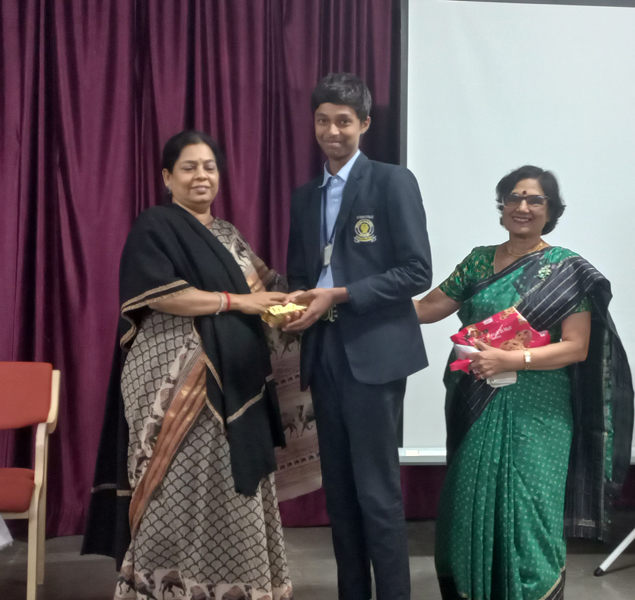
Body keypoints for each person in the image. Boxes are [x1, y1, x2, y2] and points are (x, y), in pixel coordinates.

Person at [85, 130, 295, 600]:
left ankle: (238, 588)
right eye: (189, 167)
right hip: (172, 380)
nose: (201, 175)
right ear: (167, 177)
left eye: (209, 167)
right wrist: (237, 302)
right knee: (176, 486)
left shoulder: (228, 236)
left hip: (234, 380)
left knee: (231, 485)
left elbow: (269, 289)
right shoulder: (155, 227)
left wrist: (305, 302)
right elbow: (165, 296)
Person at [415, 166, 634, 600]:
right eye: (514, 197)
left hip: (541, 410)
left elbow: (576, 347)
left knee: (531, 512)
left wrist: (511, 359)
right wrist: (352, 302)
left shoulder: (566, 269)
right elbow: (426, 308)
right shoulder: (478, 261)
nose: (523, 206)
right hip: (477, 402)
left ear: (550, 211)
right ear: (502, 208)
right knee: (471, 504)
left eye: (536, 199)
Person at [282, 72, 432, 600]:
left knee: (376, 492)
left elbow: (417, 272)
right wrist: (295, 304)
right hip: (322, 352)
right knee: (340, 494)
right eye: (322, 120)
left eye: (343, 121)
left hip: (374, 354)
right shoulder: (305, 197)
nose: (332, 131)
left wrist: (340, 294)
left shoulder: (392, 182)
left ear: (364, 124)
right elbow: (301, 273)